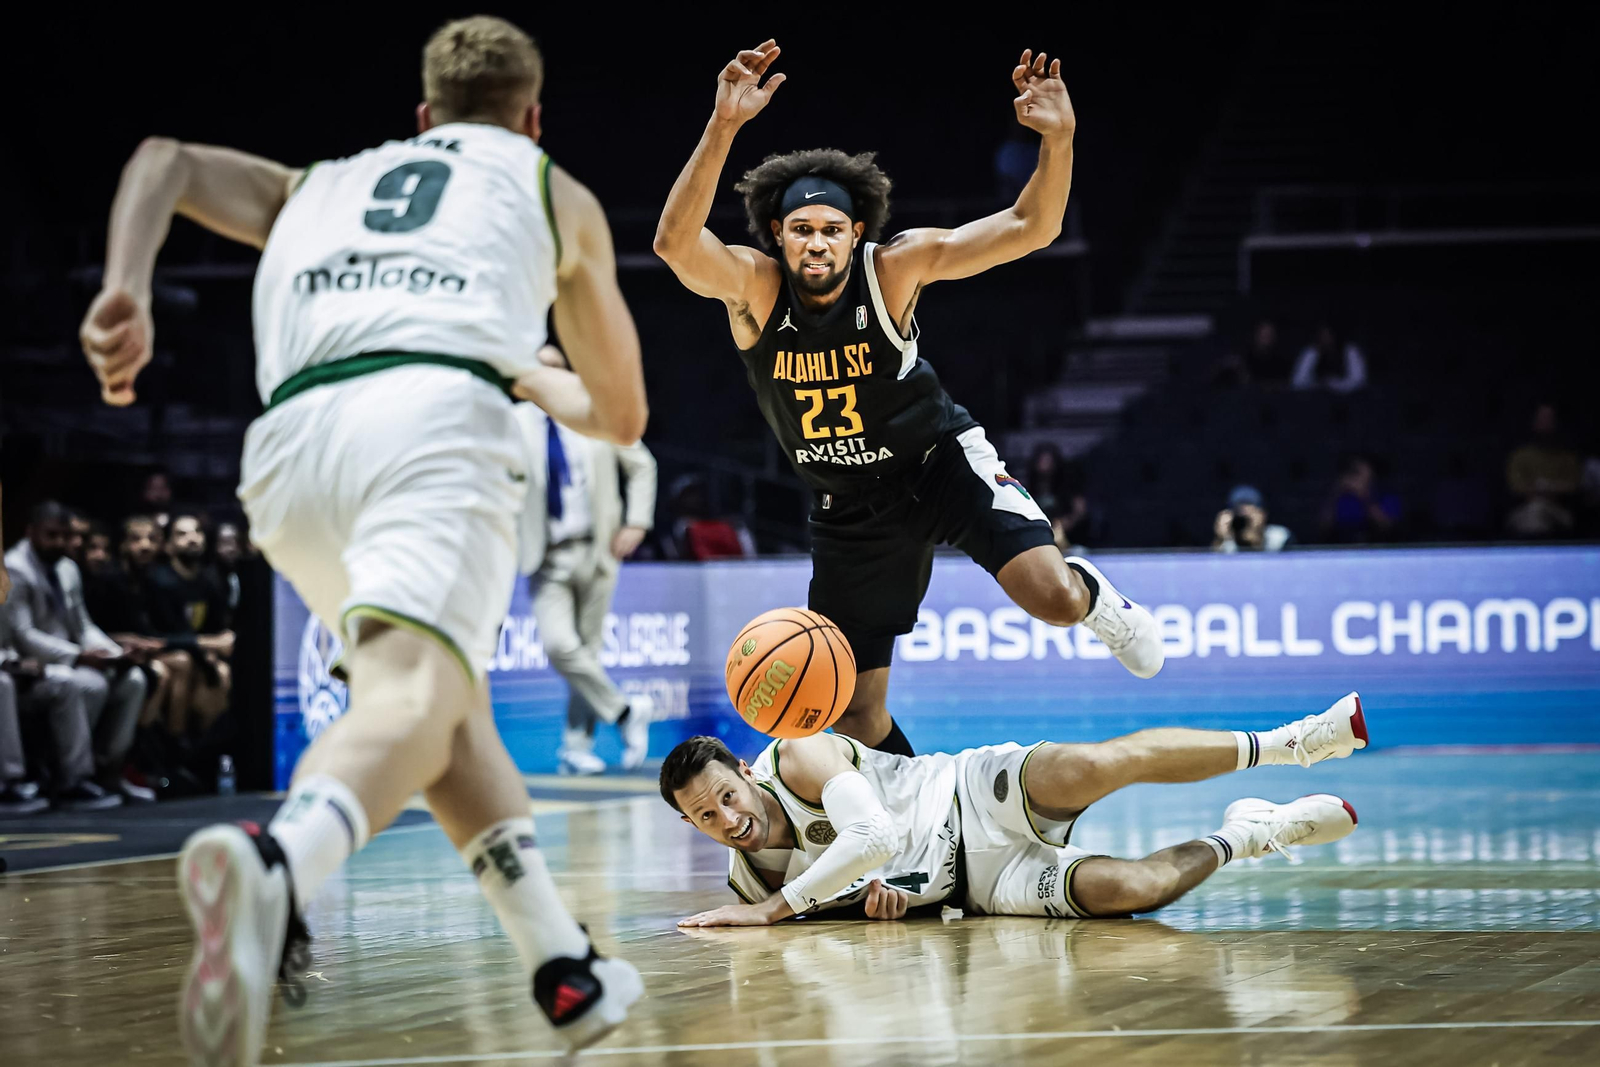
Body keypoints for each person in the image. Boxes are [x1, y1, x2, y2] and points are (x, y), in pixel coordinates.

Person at [79, 16, 648, 1062]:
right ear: (532, 118)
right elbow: (620, 416)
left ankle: (564, 967)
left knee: (444, 703)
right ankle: (279, 862)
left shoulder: (320, 183)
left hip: (289, 451)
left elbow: (163, 159)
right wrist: (528, 368)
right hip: (429, 426)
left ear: (422, 117)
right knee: (416, 696)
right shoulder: (550, 188)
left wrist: (126, 288)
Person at [653, 42, 1163, 758]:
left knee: (1052, 599)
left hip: (938, 463)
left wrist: (1059, 139)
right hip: (848, 504)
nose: (817, 245)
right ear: (778, 235)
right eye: (801, 231)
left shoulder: (894, 268)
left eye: (831, 230)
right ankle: (909, 810)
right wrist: (723, 125)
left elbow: (1033, 227)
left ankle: (1098, 600)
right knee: (854, 714)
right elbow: (675, 245)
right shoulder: (755, 289)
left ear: (855, 232)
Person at [660, 693, 1367, 926]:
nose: (728, 820)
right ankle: (1250, 832)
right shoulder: (747, 883)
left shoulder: (798, 754)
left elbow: (872, 836)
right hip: (980, 886)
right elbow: (871, 890)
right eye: (706, 817)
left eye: (727, 796)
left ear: (746, 771)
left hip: (965, 793)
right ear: (690, 826)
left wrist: (773, 912)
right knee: (1134, 890)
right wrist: (891, 908)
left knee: (1095, 765)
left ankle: (1292, 743)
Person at [514, 345, 658, 774]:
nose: (549, 376)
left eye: (556, 368)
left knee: (589, 651)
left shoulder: (593, 414)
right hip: (545, 555)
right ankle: (625, 711)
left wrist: (636, 522)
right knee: (560, 647)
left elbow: (642, 465)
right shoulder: (514, 423)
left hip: (597, 550)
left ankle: (576, 748)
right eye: (540, 369)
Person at [2, 502, 153, 806]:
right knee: (84, 683)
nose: (59, 542)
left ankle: (106, 769)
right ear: (31, 532)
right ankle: (67, 776)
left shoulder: (67, 568)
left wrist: (116, 653)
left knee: (132, 679)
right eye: (51, 535)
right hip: (31, 662)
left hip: (65, 659)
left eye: (64, 535)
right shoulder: (14, 568)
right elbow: (24, 635)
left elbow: (83, 626)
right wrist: (79, 656)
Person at [145, 513, 235, 738]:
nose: (192, 538)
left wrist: (215, 646)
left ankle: (205, 746)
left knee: (222, 673)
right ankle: (176, 743)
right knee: (183, 663)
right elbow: (159, 636)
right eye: (182, 534)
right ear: (168, 545)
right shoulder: (158, 580)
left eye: (197, 532)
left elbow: (217, 628)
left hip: (198, 654)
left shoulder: (210, 580)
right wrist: (208, 645)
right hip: (165, 653)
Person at [1504, 402, 1582, 538]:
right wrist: (1551, 488)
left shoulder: (1567, 457)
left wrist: (1544, 487)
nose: (1545, 423)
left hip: (1559, 510)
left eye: (1549, 419)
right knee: (1535, 511)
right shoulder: (1520, 456)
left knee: (1540, 511)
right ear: (1533, 422)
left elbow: (1574, 486)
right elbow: (1516, 487)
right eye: (1541, 419)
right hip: (1526, 509)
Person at [1212, 485, 1293, 552]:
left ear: (1262, 514)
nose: (1244, 521)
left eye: (1248, 517)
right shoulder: (1228, 541)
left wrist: (1258, 537)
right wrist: (1220, 539)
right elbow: (1215, 563)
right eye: (1240, 515)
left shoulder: (1279, 536)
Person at [1291, 323, 1367, 394]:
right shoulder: (1311, 352)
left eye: (1328, 335)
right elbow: (1297, 382)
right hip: (1315, 397)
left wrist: (1335, 384)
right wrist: (1319, 385)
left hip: (1348, 397)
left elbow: (1359, 381)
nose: (1325, 339)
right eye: (1322, 336)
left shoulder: (1349, 350)